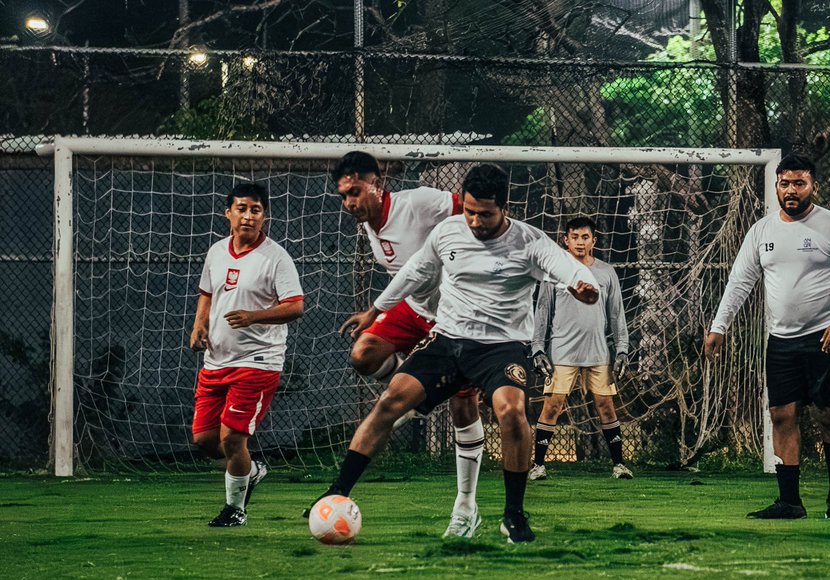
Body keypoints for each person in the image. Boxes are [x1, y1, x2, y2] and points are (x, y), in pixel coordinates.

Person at [319, 163, 599, 543]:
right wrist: (375, 309)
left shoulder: (529, 242)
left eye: (485, 214)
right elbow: (415, 272)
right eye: (469, 211)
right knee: (389, 403)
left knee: (512, 411)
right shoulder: (448, 231)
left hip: (502, 347)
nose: (475, 221)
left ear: (504, 207)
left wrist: (583, 285)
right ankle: (337, 491)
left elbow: (566, 267)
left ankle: (513, 514)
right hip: (449, 341)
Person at [325, 152, 485, 538]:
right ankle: (419, 396)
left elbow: (470, 207)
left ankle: (467, 505)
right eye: (344, 196)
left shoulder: (417, 202)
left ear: (377, 184)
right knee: (364, 353)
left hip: (456, 317)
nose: (349, 202)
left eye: (355, 192)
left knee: (464, 405)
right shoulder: (369, 224)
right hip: (412, 309)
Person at [703, 154, 830, 520]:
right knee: (781, 415)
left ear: (813, 187)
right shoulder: (762, 231)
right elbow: (740, 281)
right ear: (776, 186)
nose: (791, 191)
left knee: (828, 415)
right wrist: (718, 326)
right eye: (785, 184)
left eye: (799, 183)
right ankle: (790, 502)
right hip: (781, 341)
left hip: (826, 337)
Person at [190, 183, 304, 527]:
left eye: (255, 210)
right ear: (228, 214)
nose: (248, 216)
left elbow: (296, 306)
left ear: (263, 215)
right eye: (241, 209)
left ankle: (235, 509)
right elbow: (207, 293)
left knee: (232, 437)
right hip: (216, 360)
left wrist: (253, 316)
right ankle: (250, 471)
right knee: (206, 441)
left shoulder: (276, 258)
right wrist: (199, 325)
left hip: (258, 361)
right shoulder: (217, 252)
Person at [529, 217, 632, 480]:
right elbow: (542, 311)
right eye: (574, 237)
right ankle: (538, 465)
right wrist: (538, 348)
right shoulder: (555, 272)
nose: (579, 242)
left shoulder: (606, 272)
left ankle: (619, 465)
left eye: (585, 237)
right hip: (562, 352)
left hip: (598, 352)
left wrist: (622, 349)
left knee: (606, 406)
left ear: (593, 241)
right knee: (553, 406)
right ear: (566, 240)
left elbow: (616, 314)